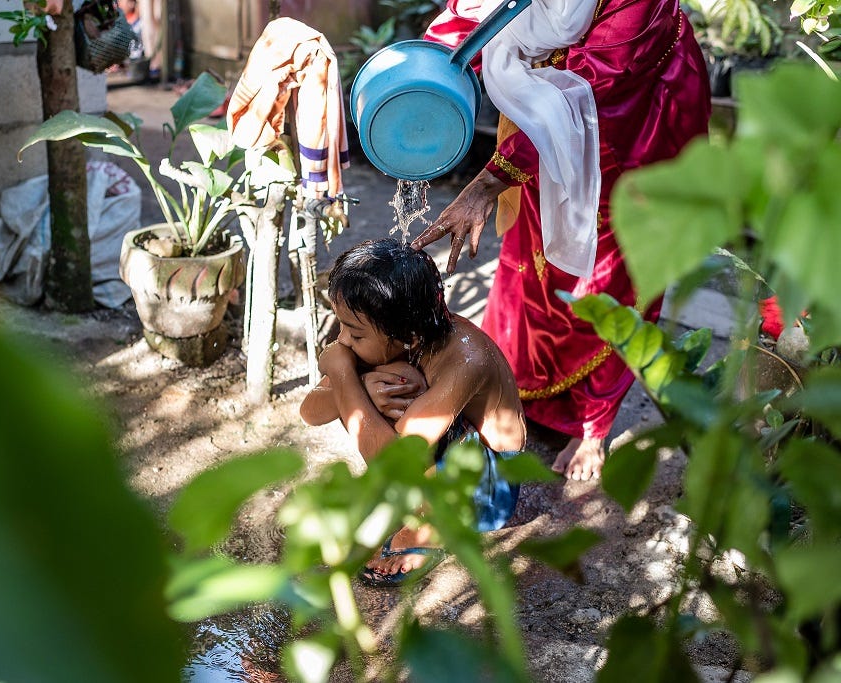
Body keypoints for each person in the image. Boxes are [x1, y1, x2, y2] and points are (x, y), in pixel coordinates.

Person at [410, 0, 712, 480]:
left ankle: (592, 428)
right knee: (534, 253)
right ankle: (522, 385)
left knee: (612, 269)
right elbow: (472, 16)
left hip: (635, 122)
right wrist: (419, 76)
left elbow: (592, 88)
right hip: (541, 109)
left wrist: (490, 182)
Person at [300, 238, 526, 586]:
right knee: (380, 388)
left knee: (376, 394)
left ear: (409, 335)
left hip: (489, 488)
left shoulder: (466, 360)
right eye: (341, 326)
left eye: (355, 334)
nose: (343, 341)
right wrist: (357, 385)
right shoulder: (399, 334)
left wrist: (346, 377)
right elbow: (310, 412)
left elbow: (395, 467)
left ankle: (429, 526)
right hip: (442, 454)